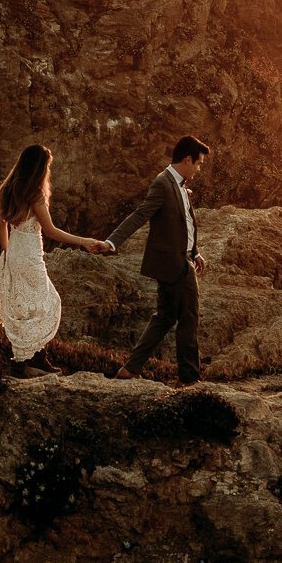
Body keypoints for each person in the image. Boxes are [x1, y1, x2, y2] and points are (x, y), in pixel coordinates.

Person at [0, 143, 110, 379]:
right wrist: (84, 241)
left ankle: (32, 359)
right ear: (39, 168)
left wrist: (7, 252)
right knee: (47, 303)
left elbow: (1, 224)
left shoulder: (9, 189)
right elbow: (51, 231)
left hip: (14, 251)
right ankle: (26, 361)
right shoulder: (34, 195)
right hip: (29, 254)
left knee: (25, 307)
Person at [100, 136, 210, 384]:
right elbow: (140, 215)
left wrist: (195, 252)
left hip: (182, 259)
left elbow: (184, 225)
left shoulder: (179, 184)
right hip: (175, 265)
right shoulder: (163, 183)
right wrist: (112, 242)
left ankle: (130, 368)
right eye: (199, 164)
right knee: (189, 318)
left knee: (164, 317)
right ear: (187, 159)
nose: (199, 169)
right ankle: (189, 379)